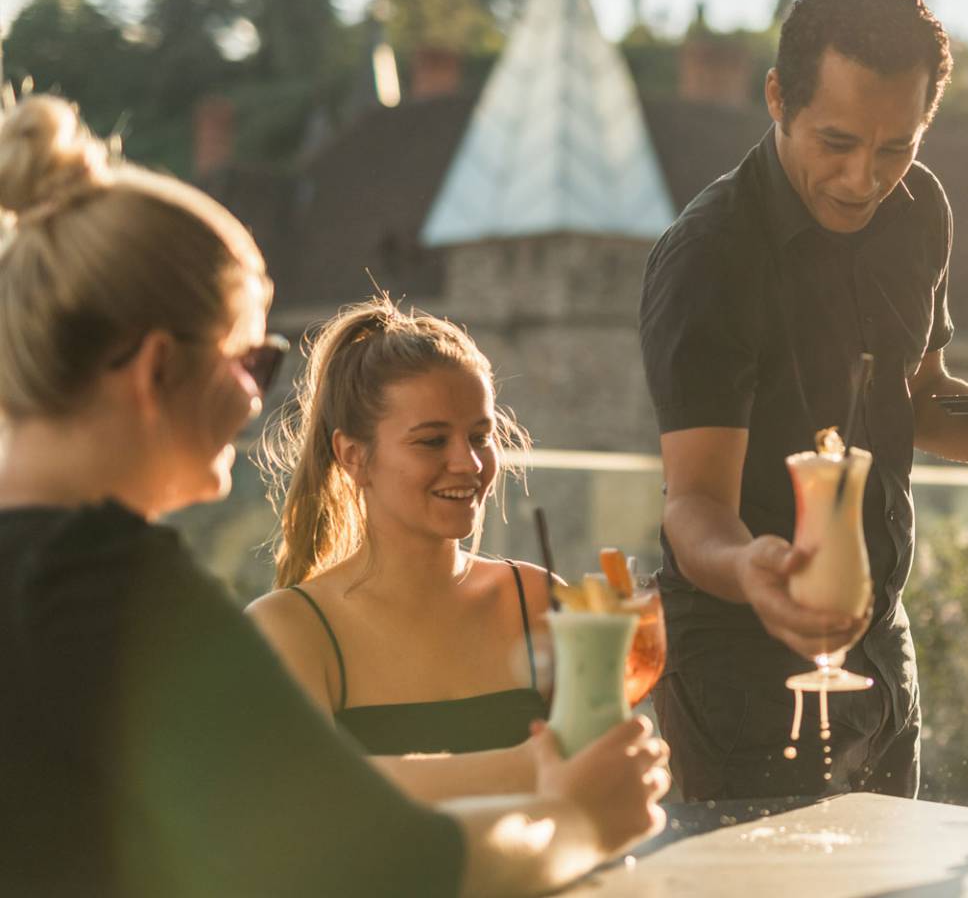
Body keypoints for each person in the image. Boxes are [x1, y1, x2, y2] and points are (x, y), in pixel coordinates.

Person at [0, 94, 668, 898]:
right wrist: (585, 821)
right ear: (155, 371)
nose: (259, 401)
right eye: (254, 360)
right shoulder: (111, 595)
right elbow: (389, 861)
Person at [639, 0, 968, 801]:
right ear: (777, 97)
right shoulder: (710, 256)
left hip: (882, 644)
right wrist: (751, 568)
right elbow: (694, 506)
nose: (864, 178)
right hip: (736, 662)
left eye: (896, 147)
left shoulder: (922, 210)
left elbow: (918, 402)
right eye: (837, 142)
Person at [247, 298, 554, 800]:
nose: (470, 464)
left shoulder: (538, 599)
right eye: (432, 441)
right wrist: (529, 767)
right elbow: (303, 802)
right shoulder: (289, 629)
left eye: (481, 436)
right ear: (353, 456)